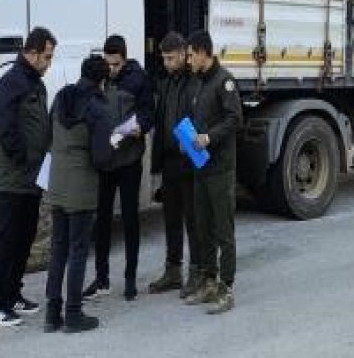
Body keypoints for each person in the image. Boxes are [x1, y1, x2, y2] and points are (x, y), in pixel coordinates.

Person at [0, 27, 56, 328]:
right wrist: (25, 160)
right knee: (5, 241)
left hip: (32, 179)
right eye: (47, 57)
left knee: (25, 239)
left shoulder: (36, 84)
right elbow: (7, 128)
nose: (49, 63)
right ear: (32, 52)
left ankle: (14, 294)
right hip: (12, 178)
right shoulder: (10, 82)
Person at [44, 56, 116, 334]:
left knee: (58, 248)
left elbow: (51, 134)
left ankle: (52, 313)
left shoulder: (61, 96)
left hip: (58, 181)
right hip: (82, 186)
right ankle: (73, 313)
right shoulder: (99, 108)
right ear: (102, 80)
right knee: (78, 250)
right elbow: (100, 158)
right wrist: (113, 147)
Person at [85, 35, 155, 302]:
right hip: (105, 162)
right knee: (102, 220)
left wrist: (141, 128)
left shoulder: (139, 78)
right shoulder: (101, 78)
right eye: (108, 63)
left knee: (129, 219)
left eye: (115, 64)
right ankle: (101, 278)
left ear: (124, 59)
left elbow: (149, 112)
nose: (111, 69)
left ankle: (130, 279)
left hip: (128, 160)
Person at [182, 30, 242, 315]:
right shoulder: (197, 83)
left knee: (223, 230)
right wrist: (188, 142)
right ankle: (207, 281)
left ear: (204, 52)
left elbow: (234, 120)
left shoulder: (224, 82)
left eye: (191, 54)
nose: (188, 60)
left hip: (220, 168)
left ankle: (226, 288)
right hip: (200, 167)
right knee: (203, 227)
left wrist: (208, 138)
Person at [146, 32, 205, 298]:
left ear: (183, 54)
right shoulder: (165, 82)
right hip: (170, 160)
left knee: (193, 219)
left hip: (189, 160)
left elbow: (202, 119)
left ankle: (196, 272)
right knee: (170, 218)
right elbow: (161, 121)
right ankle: (173, 271)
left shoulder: (195, 82)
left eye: (171, 58)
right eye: (164, 58)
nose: (167, 63)